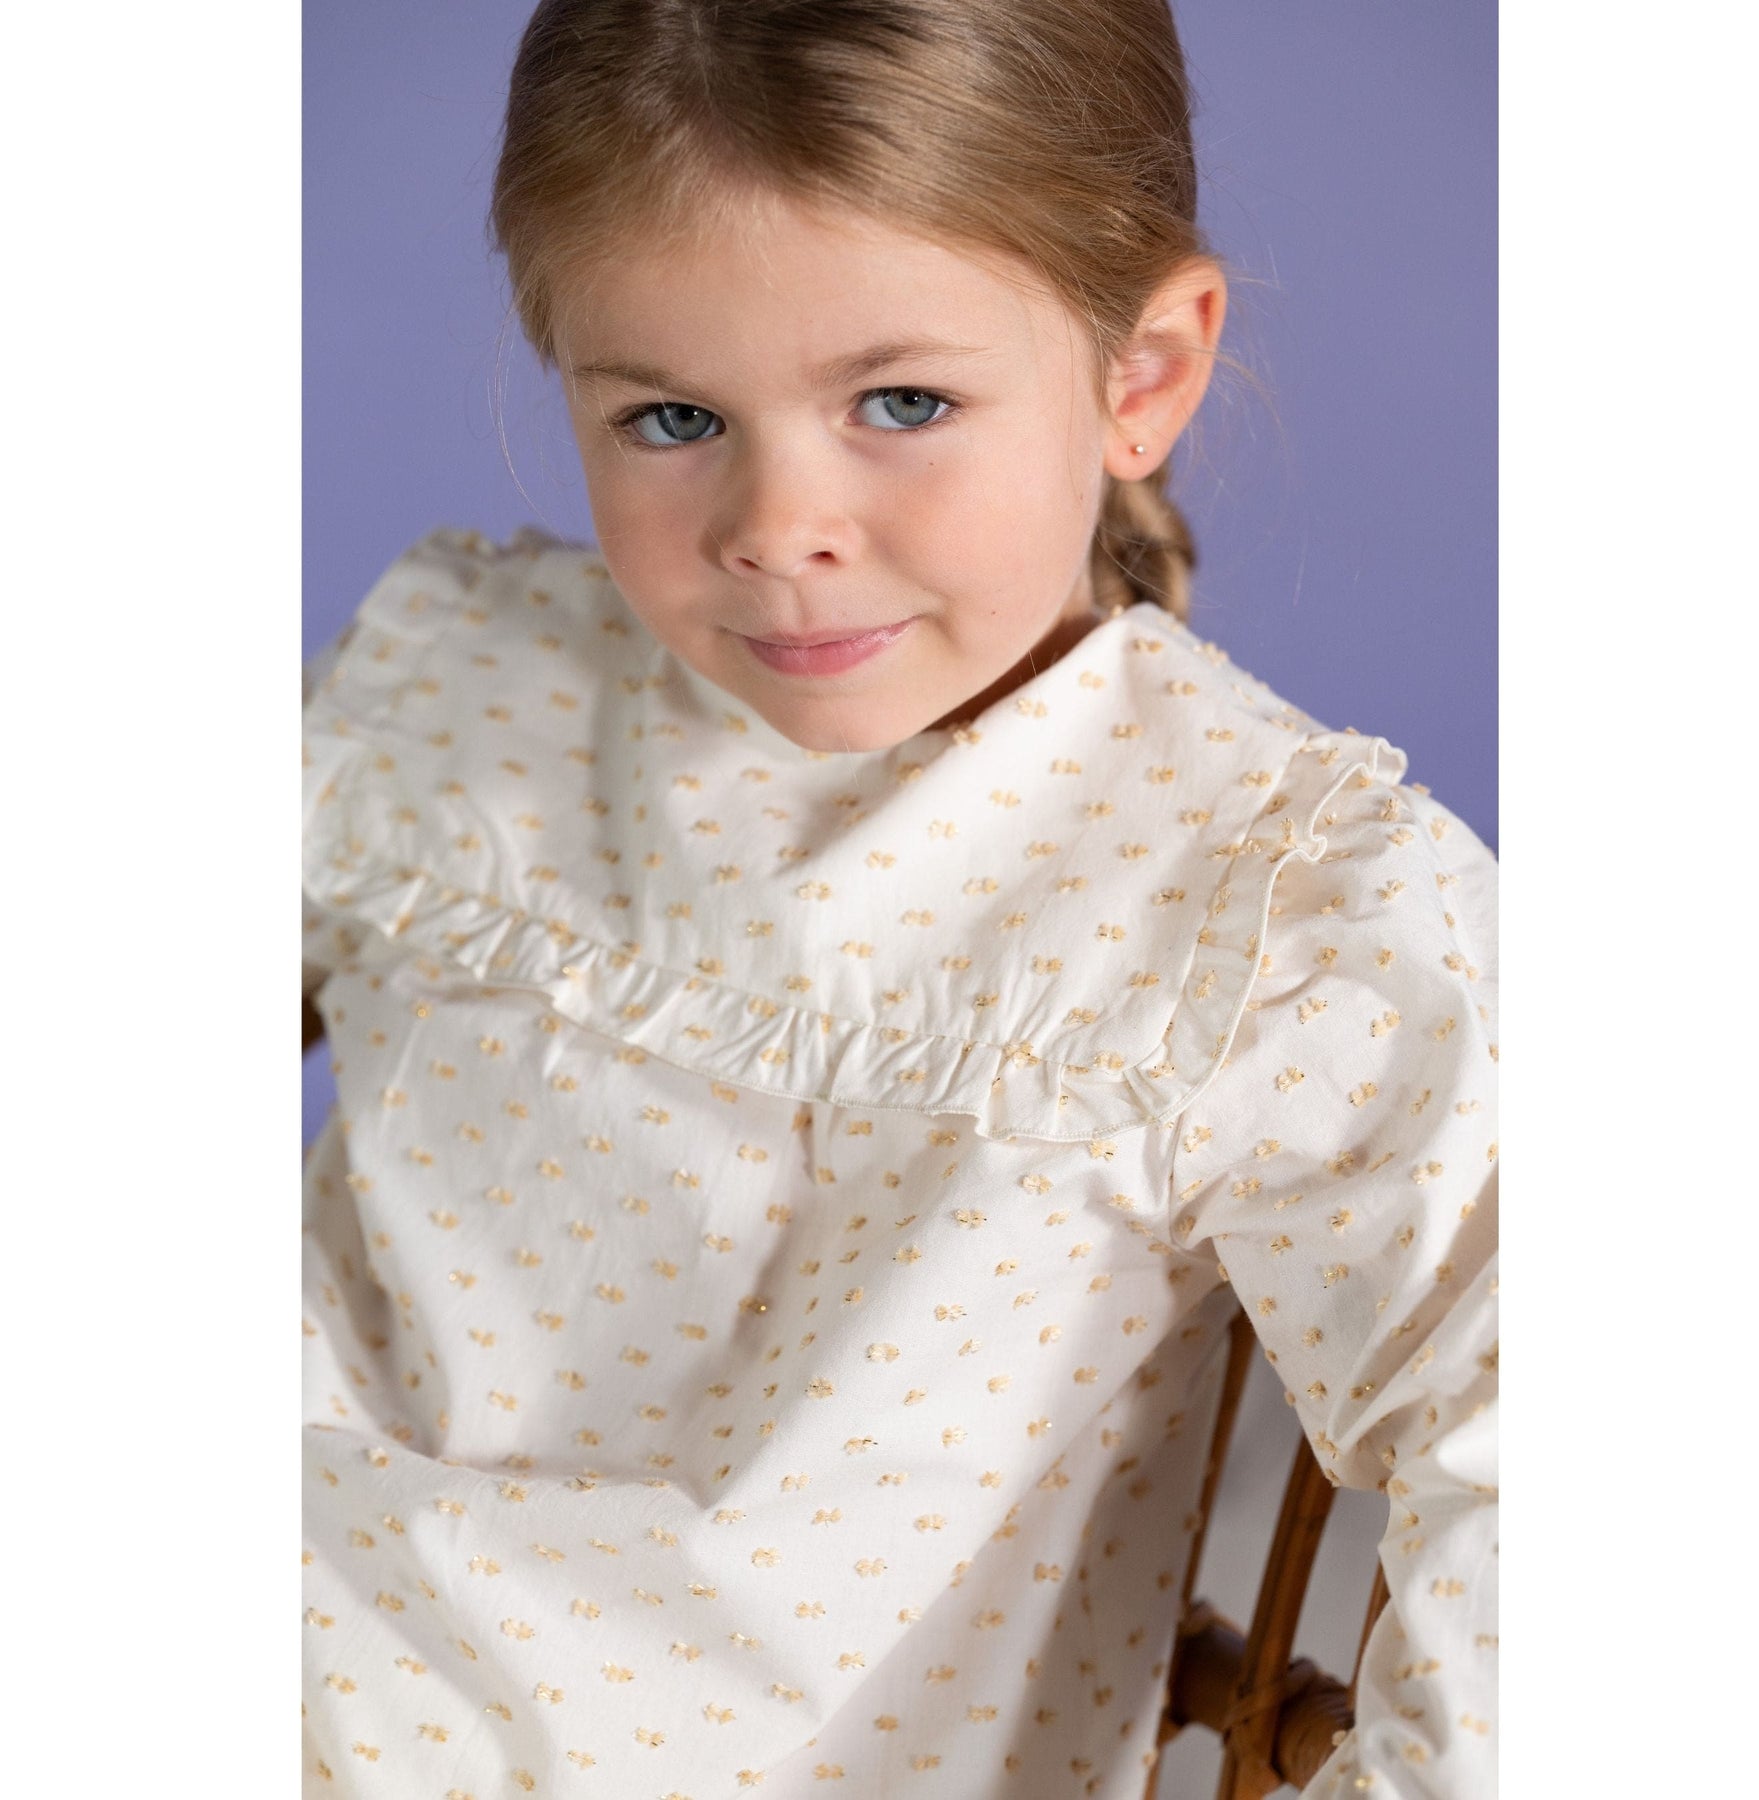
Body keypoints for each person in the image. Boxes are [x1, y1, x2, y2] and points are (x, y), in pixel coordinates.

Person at [300, 2, 1498, 1795]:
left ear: (1140, 375)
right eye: (671, 416)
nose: (777, 527)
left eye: (904, 403)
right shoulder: (476, 688)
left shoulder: (1271, 901)